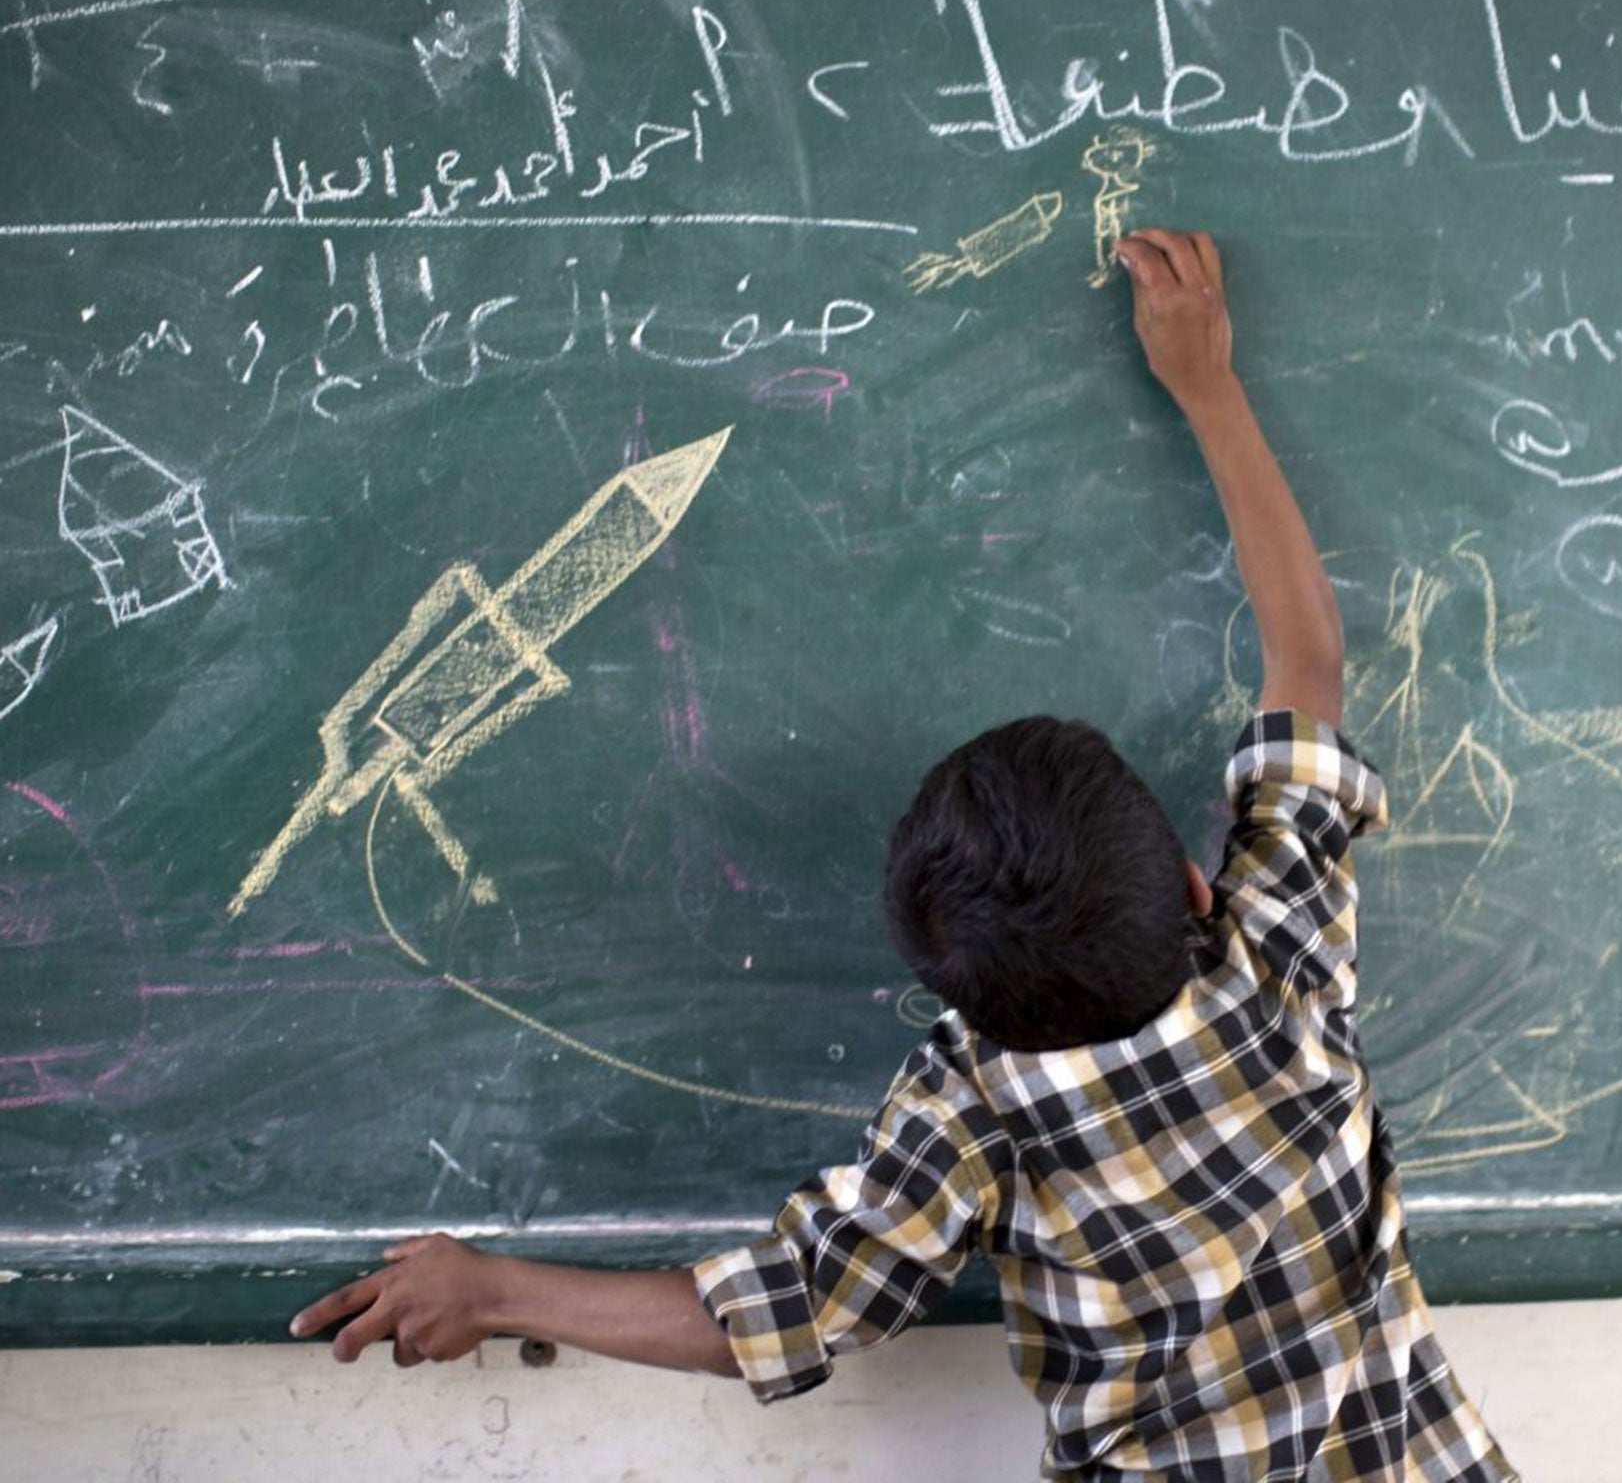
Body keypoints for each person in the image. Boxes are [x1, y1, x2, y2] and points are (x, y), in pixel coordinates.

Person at [291, 228, 1518, 1482]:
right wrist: (1207, 382)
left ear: (952, 997)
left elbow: (784, 1311)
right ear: (1195, 886)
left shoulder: (975, 1110)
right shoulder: (1275, 958)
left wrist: (492, 1288)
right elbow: (1304, 656)